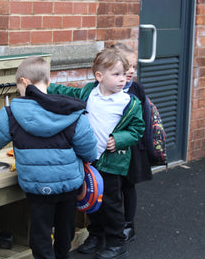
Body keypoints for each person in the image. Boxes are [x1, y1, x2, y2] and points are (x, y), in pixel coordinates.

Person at [0, 56, 98, 259]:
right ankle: (62, 255)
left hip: (37, 187)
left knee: (40, 231)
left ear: (24, 82)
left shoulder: (11, 113)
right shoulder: (72, 112)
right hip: (69, 185)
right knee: (65, 228)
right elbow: (89, 151)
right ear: (48, 83)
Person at [48, 48, 145, 259]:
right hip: (89, 161)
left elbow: (138, 129)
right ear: (99, 76)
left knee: (111, 203)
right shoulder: (89, 93)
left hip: (112, 162)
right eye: (117, 74)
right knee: (93, 201)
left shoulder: (129, 102)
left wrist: (119, 139)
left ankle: (116, 241)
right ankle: (96, 235)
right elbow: (67, 92)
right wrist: (43, 86)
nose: (123, 79)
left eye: (125, 73)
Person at [111, 42, 153, 243]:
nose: (130, 71)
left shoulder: (136, 89)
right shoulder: (106, 89)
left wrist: (144, 147)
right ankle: (108, 225)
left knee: (128, 187)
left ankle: (128, 225)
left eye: (134, 67)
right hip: (112, 147)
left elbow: (144, 121)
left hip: (133, 148)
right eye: (126, 66)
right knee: (111, 187)